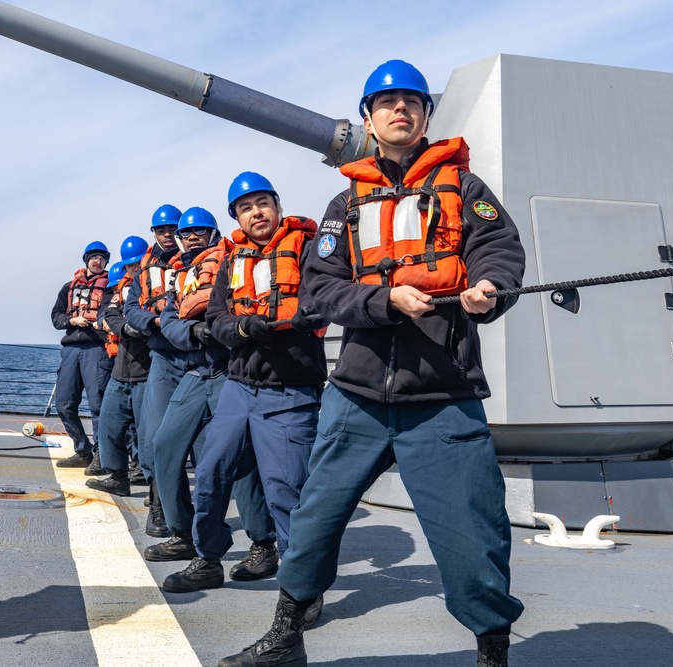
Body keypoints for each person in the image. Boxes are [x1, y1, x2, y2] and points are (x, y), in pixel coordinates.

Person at [218, 60, 526, 667]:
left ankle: (493, 649)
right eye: (385, 102)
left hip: (442, 393)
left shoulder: (466, 191)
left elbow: (500, 252)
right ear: (368, 118)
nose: (399, 110)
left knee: (472, 534)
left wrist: (489, 288)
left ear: (426, 115)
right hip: (355, 394)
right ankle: (287, 631)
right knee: (312, 519)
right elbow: (319, 291)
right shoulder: (344, 204)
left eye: (411, 100)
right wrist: (383, 300)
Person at [162, 172, 327, 594]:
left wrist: (307, 315)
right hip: (238, 387)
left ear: (277, 206)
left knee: (286, 490)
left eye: (263, 204)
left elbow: (325, 296)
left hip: (290, 391)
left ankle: (300, 587)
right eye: (246, 207)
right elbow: (216, 316)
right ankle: (208, 558)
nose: (257, 213)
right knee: (212, 473)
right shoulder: (232, 260)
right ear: (237, 216)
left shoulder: (308, 249)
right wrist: (241, 328)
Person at [144, 207, 277, 570]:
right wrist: (192, 332)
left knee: (240, 458)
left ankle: (263, 541)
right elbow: (169, 319)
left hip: (228, 372)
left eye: (201, 231)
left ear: (214, 233)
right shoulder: (181, 275)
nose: (192, 237)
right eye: (187, 233)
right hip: (194, 372)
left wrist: (216, 328)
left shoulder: (231, 261)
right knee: (164, 445)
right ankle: (184, 532)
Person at [123, 205, 186, 537]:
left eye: (172, 228)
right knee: (156, 437)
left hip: (203, 359)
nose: (167, 234)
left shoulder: (203, 261)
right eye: (160, 229)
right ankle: (159, 505)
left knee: (208, 443)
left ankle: (201, 514)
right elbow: (131, 309)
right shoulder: (144, 272)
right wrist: (156, 321)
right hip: (163, 356)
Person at [87, 245, 152, 497]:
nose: (134, 269)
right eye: (130, 265)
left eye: (138, 264)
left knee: (147, 434)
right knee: (109, 425)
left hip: (147, 369)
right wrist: (125, 328)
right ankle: (117, 476)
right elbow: (110, 313)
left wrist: (140, 325)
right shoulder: (123, 291)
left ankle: (156, 491)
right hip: (121, 369)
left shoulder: (154, 284)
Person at [50, 240, 114, 468]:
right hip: (70, 350)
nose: (98, 261)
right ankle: (82, 449)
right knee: (64, 403)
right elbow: (56, 316)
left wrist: (90, 320)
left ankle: (101, 453)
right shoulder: (68, 287)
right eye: (94, 257)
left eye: (102, 258)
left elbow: (110, 313)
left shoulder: (110, 286)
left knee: (98, 404)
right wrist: (71, 320)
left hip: (96, 350)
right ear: (86, 260)